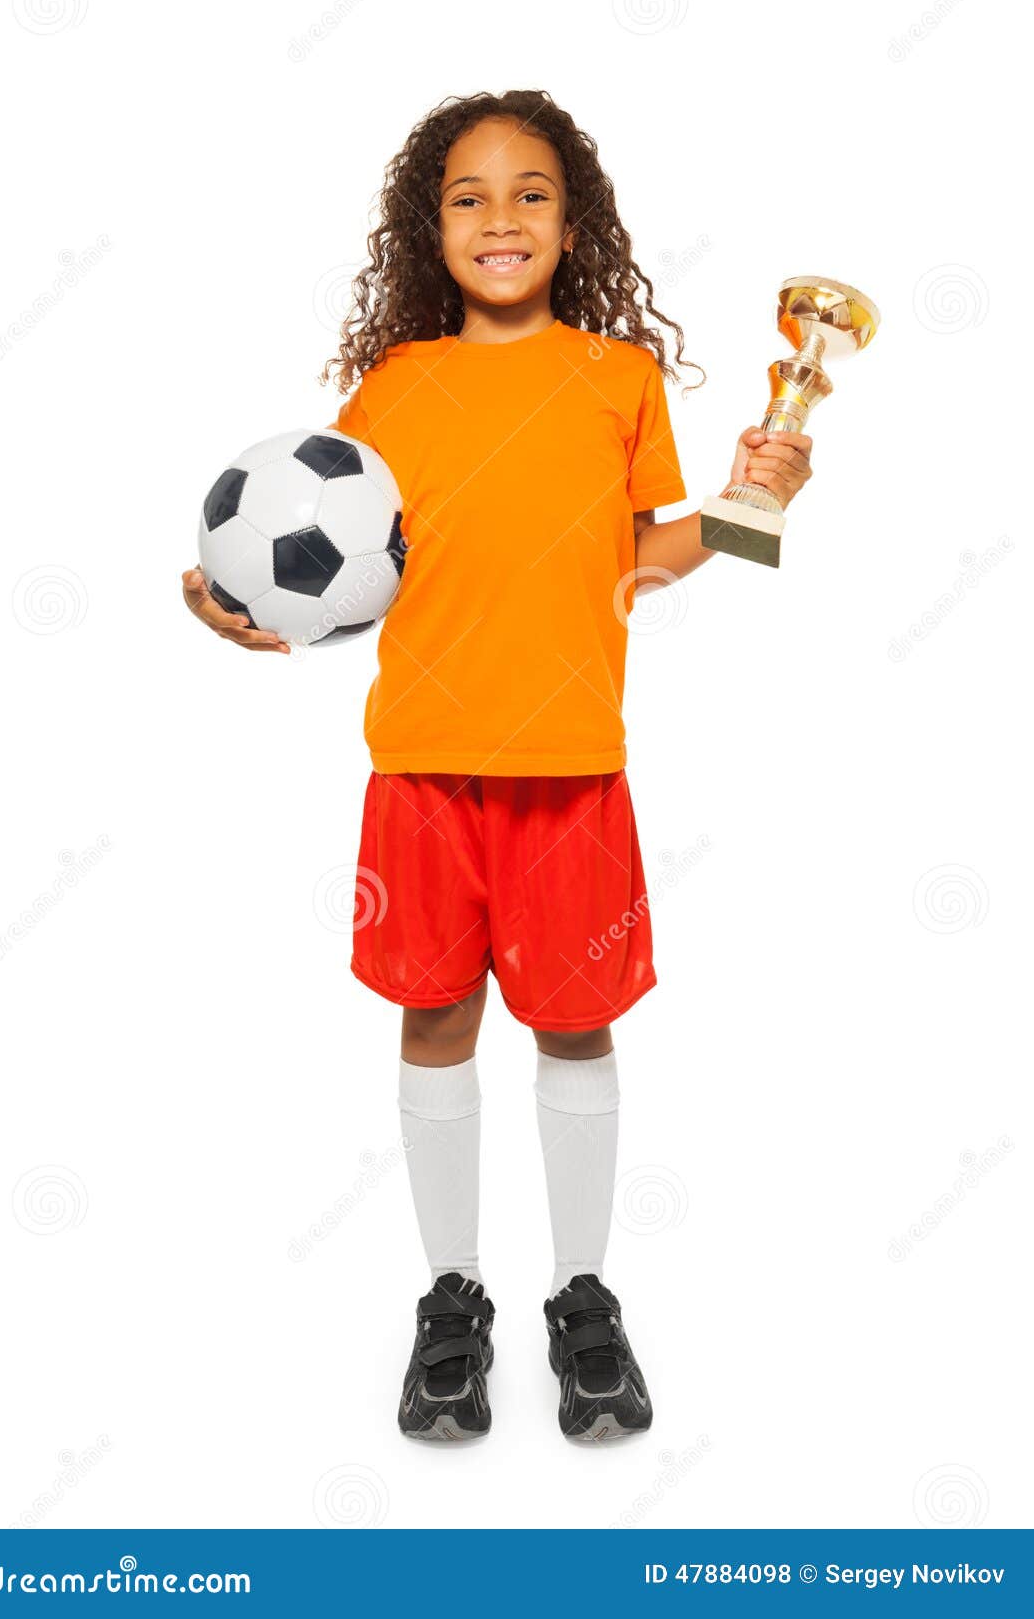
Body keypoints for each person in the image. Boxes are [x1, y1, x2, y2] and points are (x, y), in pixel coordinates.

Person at [182, 89, 812, 1443]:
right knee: (433, 1020)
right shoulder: (396, 388)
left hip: (573, 766)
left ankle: (584, 1294)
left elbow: (639, 559)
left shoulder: (617, 379)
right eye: (468, 196)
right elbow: (347, 567)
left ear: (573, 222)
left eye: (530, 192)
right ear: (431, 226)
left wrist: (757, 501)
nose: (501, 218)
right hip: (422, 766)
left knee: (576, 1023)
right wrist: (239, 611)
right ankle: (451, 1296)